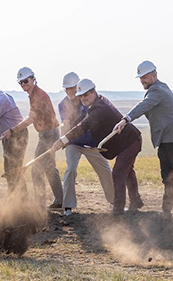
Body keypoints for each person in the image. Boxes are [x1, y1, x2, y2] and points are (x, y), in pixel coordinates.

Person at [113, 60, 173, 215]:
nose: (143, 80)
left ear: (154, 75)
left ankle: (167, 211)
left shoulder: (157, 91)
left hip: (169, 136)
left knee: (168, 173)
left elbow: (144, 106)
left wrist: (126, 119)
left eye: (145, 77)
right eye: (141, 78)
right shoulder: (162, 87)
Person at [55, 79, 142, 215]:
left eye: (86, 95)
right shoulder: (98, 102)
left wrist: (62, 140)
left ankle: (118, 210)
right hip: (125, 142)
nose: (83, 98)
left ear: (93, 92)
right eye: (81, 95)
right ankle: (135, 203)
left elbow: (83, 126)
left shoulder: (99, 108)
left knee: (118, 173)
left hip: (130, 141)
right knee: (128, 171)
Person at [2, 67, 63, 209]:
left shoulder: (38, 95)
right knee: (50, 168)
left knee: (36, 168)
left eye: (26, 81)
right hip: (48, 133)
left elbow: (31, 119)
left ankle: (39, 204)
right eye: (21, 83)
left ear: (33, 79)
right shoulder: (33, 95)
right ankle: (60, 200)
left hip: (49, 134)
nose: (23, 85)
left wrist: (12, 130)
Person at [57, 72, 115, 216]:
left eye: (72, 88)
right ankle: (68, 206)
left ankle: (114, 202)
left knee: (105, 170)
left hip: (91, 142)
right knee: (71, 169)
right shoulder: (62, 104)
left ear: (78, 87)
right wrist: (62, 139)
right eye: (66, 89)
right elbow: (66, 123)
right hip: (73, 142)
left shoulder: (89, 101)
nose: (69, 92)